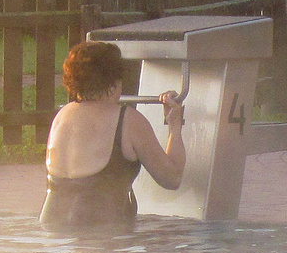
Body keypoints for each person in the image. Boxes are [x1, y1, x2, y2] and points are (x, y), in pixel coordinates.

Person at [41, 41, 185, 232]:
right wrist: (174, 126)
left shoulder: (62, 116)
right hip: (101, 234)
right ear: (115, 80)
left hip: (51, 228)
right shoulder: (127, 120)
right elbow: (171, 178)